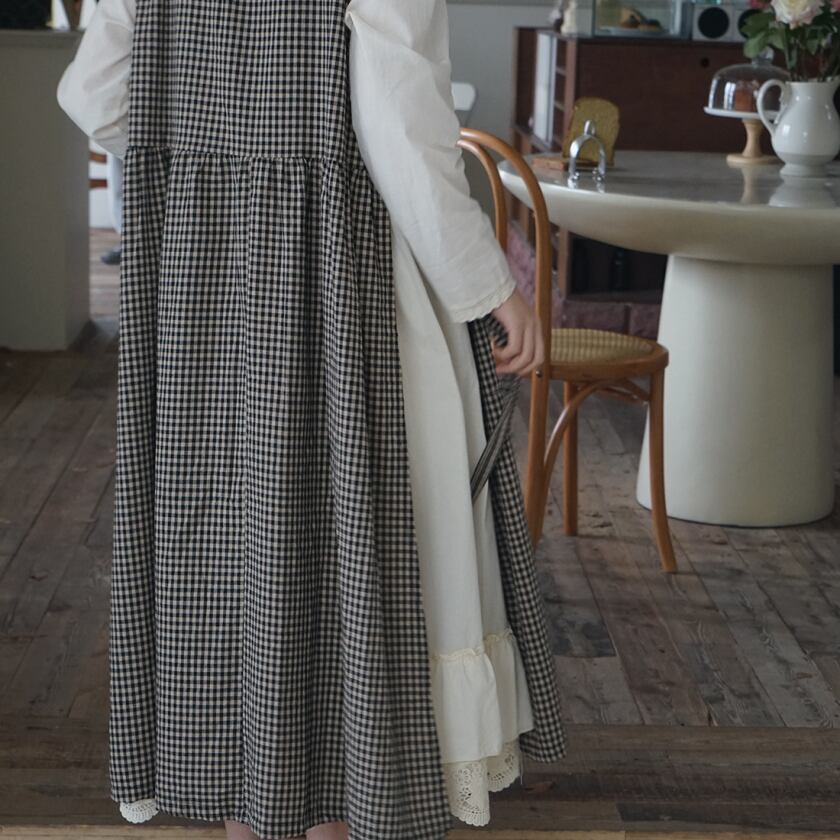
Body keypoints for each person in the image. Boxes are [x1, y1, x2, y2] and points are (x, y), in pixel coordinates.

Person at [56, 1, 568, 839]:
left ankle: (245, 801)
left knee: (222, 556)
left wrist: (215, 162)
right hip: (335, 275)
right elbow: (400, 127)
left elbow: (94, 92)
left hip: (202, 285)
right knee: (339, 558)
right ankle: (339, 799)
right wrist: (490, 286)